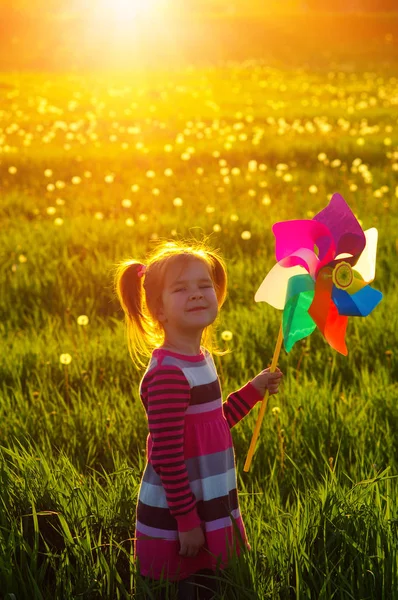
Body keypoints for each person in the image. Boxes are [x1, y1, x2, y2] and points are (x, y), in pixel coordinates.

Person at [114, 240, 283, 599]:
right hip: (182, 512)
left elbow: (213, 424)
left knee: (215, 583)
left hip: (208, 497)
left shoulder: (201, 358)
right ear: (158, 310)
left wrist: (253, 390)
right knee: (184, 587)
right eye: (181, 288)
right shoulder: (169, 375)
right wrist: (188, 523)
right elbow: (167, 456)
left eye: (204, 285)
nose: (196, 294)